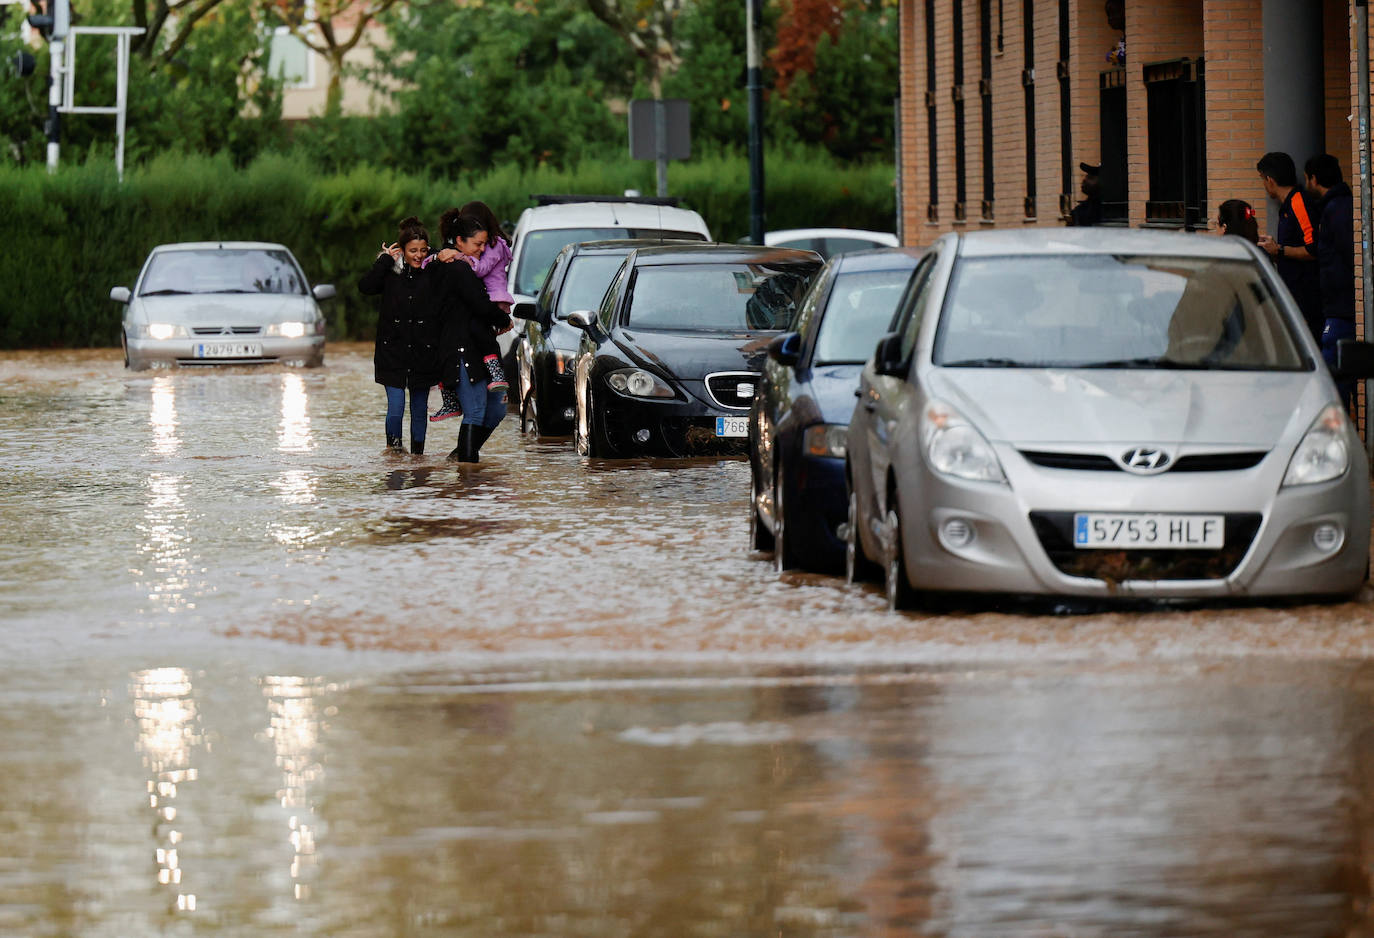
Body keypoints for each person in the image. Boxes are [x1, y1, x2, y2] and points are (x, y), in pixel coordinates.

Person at [430, 211, 516, 462]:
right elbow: (480, 304)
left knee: (497, 409)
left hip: (478, 346)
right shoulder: (457, 269)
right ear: (459, 241)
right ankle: (467, 476)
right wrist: (503, 319)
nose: (481, 250)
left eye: (483, 245)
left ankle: (461, 457)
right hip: (460, 349)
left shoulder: (460, 265)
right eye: (477, 244)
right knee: (476, 411)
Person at [357, 216, 445, 455]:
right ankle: (393, 454)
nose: (418, 255)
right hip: (392, 353)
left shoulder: (434, 270)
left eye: (423, 250)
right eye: (412, 250)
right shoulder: (388, 271)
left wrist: (434, 254)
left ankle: (418, 458)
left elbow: (440, 258)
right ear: (402, 250)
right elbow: (365, 287)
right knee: (395, 407)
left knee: (419, 409)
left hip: (423, 352)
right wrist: (384, 260)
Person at [1305, 153, 1355, 408]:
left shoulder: (1337, 210)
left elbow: (1350, 256)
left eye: (1307, 179)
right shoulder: (1335, 208)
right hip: (1340, 308)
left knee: (1332, 383)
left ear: (1314, 179)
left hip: (1342, 311)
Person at [1255, 151, 1322, 339]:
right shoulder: (1287, 205)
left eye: (1262, 179)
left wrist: (1280, 250)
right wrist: (1275, 251)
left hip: (1307, 296)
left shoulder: (1298, 201)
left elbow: (1313, 248)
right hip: (1294, 291)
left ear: (1270, 180)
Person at [1067, 162, 1103, 227]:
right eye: (1086, 177)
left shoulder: (1104, 208)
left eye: (1091, 178)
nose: (1084, 180)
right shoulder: (1081, 208)